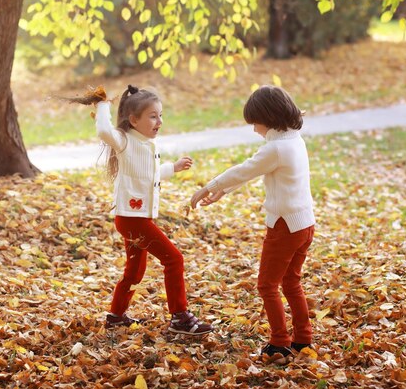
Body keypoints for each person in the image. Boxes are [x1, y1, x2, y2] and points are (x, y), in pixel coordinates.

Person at [190, 85, 315, 357]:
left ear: (268, 118)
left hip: (284, 226)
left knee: (267, 285)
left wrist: (209, 186)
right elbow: (257, 170)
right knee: (291, 282)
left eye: (255, 122)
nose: (254, 129)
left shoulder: (276, 148)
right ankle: (303, 338)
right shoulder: (293, 140)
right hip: (304, 223)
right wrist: (225, 190)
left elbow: (246, 168)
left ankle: (279, 343)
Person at [90, 84, 213, 336]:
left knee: (135, 271)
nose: (160, 121)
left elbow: (149, 174)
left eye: (161, 115)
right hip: (131, 219)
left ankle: (116, 316)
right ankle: (180, 317)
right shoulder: (124, 140)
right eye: (153, 116)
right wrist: (102, 103)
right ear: (133, 120)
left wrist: (174, 168)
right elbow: (103, 129)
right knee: (174, 259)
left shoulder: (147, 144)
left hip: (135, 218)